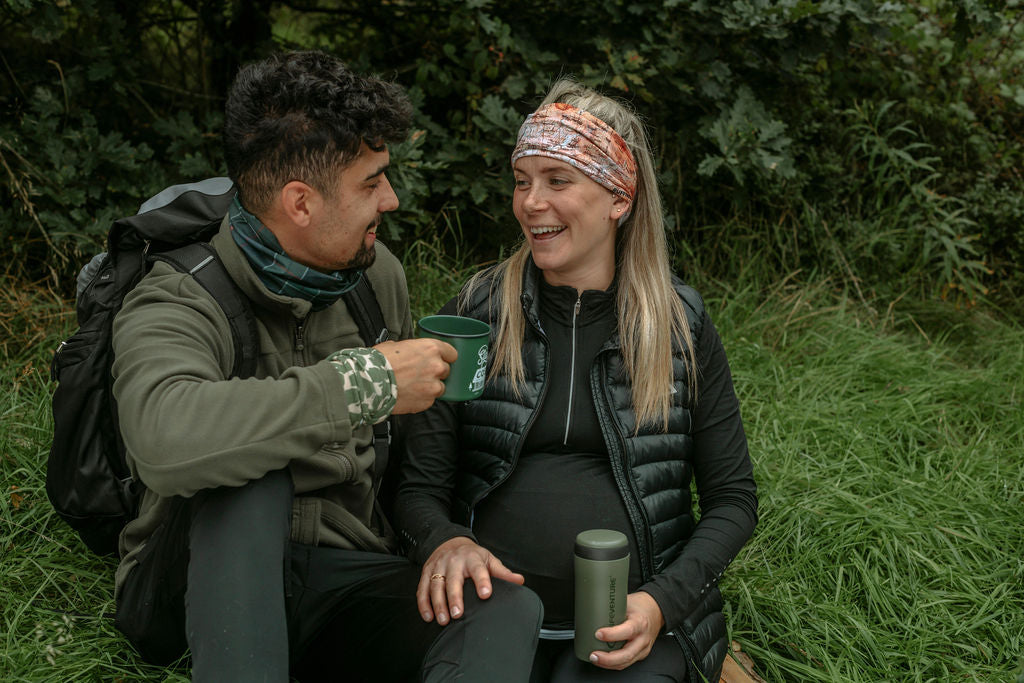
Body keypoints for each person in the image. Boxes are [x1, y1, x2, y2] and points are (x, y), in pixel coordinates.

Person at [110, 50, 541, 682]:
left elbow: (405, 465)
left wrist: (444, 537)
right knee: (251, 474)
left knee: (501, 606)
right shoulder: (177, 296)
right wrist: (366, 383)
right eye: (370, 184)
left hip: (344, 575)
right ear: (300, 202)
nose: (390, 200)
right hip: (196, 583)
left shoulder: (377, 280)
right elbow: (163, 437)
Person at [395, 79, 758, 682]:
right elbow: (417, 486)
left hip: (632, 622)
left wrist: (660, 604)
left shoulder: (678, 325)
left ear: (619, 198)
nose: (531, 202)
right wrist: (443, 541)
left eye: (557, 180)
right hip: (488, 614)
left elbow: (733, 501)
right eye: (522, 180)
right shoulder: (477, 312)